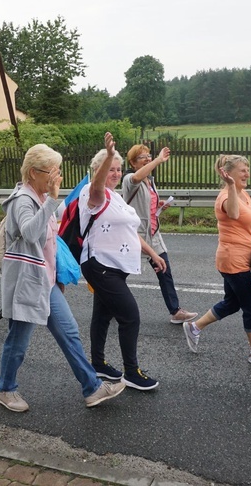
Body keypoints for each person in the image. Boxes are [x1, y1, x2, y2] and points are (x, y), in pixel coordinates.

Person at [0, 143, 125, 412]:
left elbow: (50, 241)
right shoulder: (23, 200)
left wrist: (58, 276)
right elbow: (31, 233)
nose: (57, 177)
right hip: (27, 283)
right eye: (52, 171)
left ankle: (92, 388)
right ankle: (6, 390)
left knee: (69, 333)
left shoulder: (42, 198)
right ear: (33, 173)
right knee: (18, 341)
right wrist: (53, 199)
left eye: (58, 171)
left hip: (45, 280)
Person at [182, 154, 251, 367]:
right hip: (233, 261)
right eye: (242, 170)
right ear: (229, 173)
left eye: (247, 169)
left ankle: (194, 327)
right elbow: (234, 214)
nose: (247, 173)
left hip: (241, 259)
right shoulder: (226, 196)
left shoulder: (244, 194)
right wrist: (231, 186)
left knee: (232, 302)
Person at [79, 132, 167, 391]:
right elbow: (97, 186)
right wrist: (107, 156)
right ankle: (132, 371)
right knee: (130, 316)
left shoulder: (116, 197)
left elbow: (131, 231)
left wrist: (153, 254)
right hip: (100, 264)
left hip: (116, 266)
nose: (116, 173)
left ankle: (97, 363)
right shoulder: (92, 193)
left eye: (118, 169)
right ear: (98, 170)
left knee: (102, 315)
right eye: (111, 169)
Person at [123, 144, 198, 324]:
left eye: (148, 155)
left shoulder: (150, 181)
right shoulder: (129, 179)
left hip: (153, 235)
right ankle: (105, 303)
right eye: (142, 157)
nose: (147, 158)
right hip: (136, 236)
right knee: (119, 274)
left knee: (165, 271)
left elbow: (145, 206)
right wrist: (157, 160)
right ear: (133, 163)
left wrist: (159, 205)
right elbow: (137, 178)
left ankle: (176, 311)